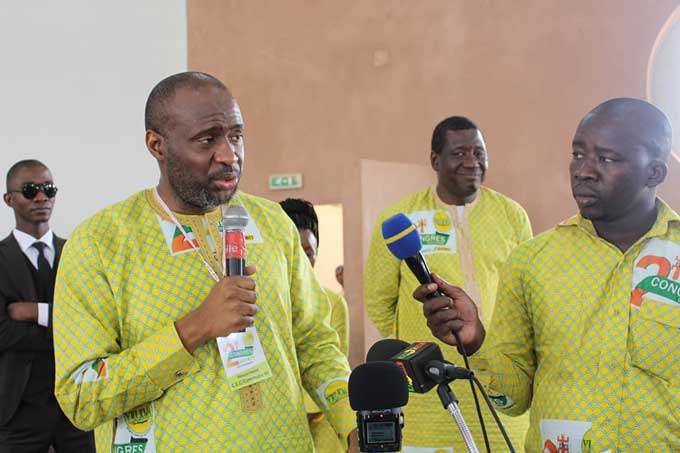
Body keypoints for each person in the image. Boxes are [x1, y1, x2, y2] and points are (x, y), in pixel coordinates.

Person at [52, 72, 358, 452]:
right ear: (157, 145)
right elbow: (80, 396)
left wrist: (352, 423)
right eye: (207, 139)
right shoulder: (100, 242)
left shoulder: (273, 224)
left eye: (236, 135)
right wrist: (193, 329)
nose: (229, 155)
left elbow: (315, 343)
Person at [415, 98, 679, 452]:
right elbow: (512, 400)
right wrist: (476, 339)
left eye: (606, 159)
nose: (583, 171)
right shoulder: (533, 263)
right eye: (578, 154)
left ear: (655, 173)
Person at [364, 116, 532, 452]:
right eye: (459, 153)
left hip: (497, 379)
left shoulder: (511, 215)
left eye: (479, 152)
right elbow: (379, 302)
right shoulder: (402, 220)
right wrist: (417, 340)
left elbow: (525, 296)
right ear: (435, 160)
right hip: (429, 391)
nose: (472, 162)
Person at [0, 160, 95, 452]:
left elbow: (95, 322)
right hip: (17, 410)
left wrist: (35, 312)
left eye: (48, 189)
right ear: (9, 199)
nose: (41, 197)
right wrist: (67, 327)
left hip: (80, 406)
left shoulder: (79, 254)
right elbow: (3, 333)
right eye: (30, 190)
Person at [280, 198, 350, 453]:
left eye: (308, 253)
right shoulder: (258, 305)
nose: (302, 262)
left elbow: (331, 363)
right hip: (274, 425)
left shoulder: (333, 303)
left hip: (322, 426)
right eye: (294, 252)